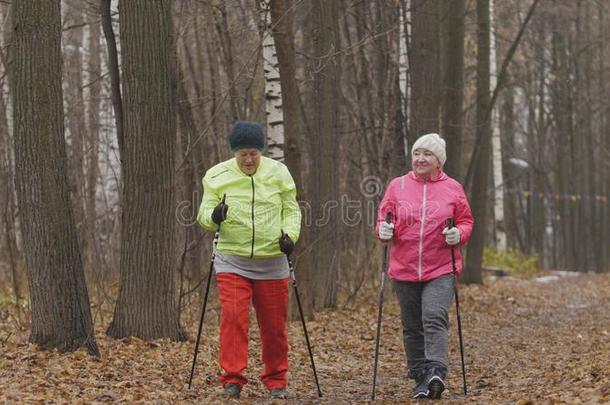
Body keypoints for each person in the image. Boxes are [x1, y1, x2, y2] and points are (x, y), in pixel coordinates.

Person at [197, 121, 301, 400]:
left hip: (272, 260)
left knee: (274, 326)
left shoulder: (279, 173)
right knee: (233, 319)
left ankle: (277, 378)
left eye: (253, 153)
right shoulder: (217, 176)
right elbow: (204, 213)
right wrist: (214, 216)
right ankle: (232, 379)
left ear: (261, 152)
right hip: (232, 259)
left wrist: (290, 235)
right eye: (242, 153)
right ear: (234, 153)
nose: (248, 159)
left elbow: (291, 210)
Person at [376, 133, 473, 400]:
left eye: (427, 154)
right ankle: (419, 376)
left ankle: (436, 371)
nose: (420, 158)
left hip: (441, 267)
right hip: (404, 267)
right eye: (417, 153)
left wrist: (459, 235)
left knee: (433, 316)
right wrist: (384, 230)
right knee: (412, 324)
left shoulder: (453, 188)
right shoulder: (397, 186)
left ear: (439, 161)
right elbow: (383, 220)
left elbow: (466, 221)